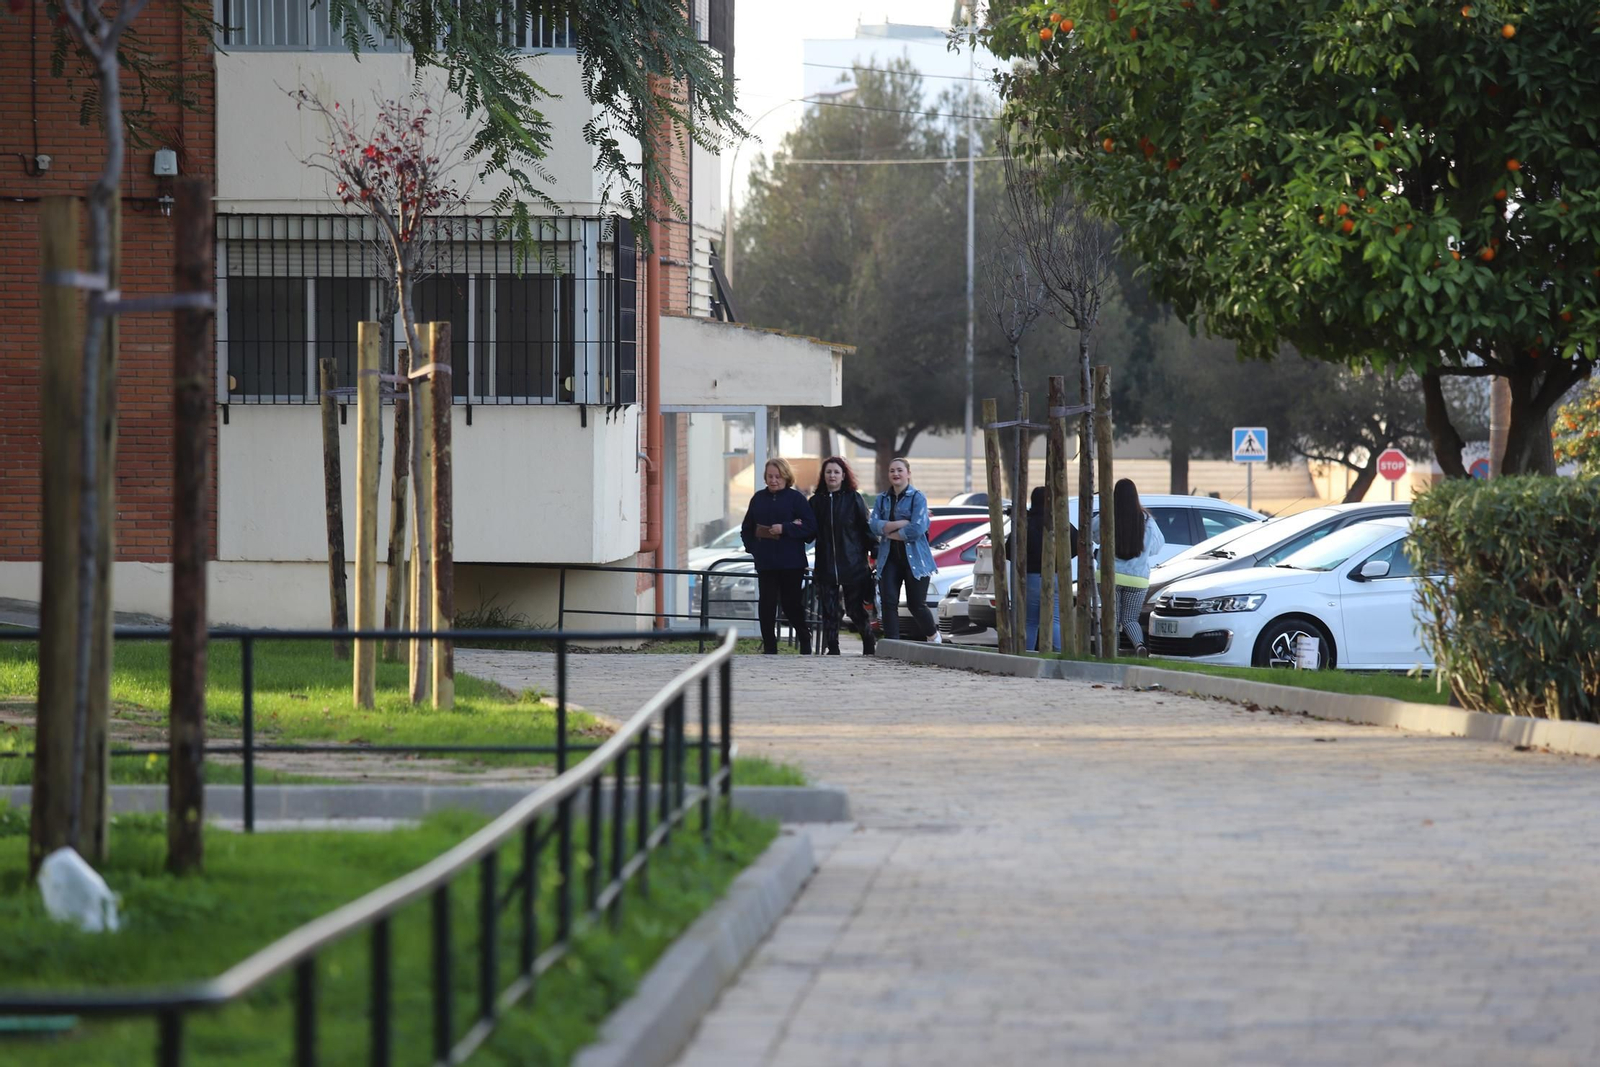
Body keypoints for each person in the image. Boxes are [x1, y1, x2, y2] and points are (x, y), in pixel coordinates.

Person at [740, 458, 816, 654]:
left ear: (786, 476)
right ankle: (770, 646)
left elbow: (810, 528)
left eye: (778, 476)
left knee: (791, 604)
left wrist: (785, 528)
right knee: (767, 603)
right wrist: (753, 548)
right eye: (770, 476)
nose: (774, 480)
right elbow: (747, 528)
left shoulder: (796, 499)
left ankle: (804, 637)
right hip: (766, 562)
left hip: (791, 562)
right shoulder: (758, 499)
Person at [1090, 478, 1165, 656]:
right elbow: (1157, 546)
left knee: (1112, 618)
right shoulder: (1147, 520)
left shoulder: (1106, 516)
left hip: (1109, 576)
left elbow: (1094, 535)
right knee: (1130, 619)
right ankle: (1139, 645)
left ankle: (1112, 653)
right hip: (1137, 579)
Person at [810, 456, 877, 656]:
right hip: (826, 564)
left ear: (843, 475)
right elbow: (808, 532)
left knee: (855, 609)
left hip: (853, 564)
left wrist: (875, 551)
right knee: (830, 611)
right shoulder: (816, 502)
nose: (832, 476)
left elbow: (866, 528)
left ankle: (868, 644)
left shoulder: (853, 498)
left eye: (836, 472)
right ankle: (833, 648)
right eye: (828, 472)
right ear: (823, 475)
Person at [868, 457, 940, 642]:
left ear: (908, 473)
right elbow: (874, 525)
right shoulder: (882, 499)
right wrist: (900, 523)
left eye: (900, 470)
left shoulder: (918, 497)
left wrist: (888, 532)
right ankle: (892, 643)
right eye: (892, 470)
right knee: (888, 602)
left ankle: (933, 636)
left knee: (916, 604)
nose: (896, 474)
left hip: (915, 559)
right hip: (889, 557)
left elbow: (917, 528)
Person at [1021, 486, 1077, 652]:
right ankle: (1061, 652)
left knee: (1030, 621)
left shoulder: (1026, 524)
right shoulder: (1060, 522)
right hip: (1056, 575)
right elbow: (1076, 542)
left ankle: (1027, 654)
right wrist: (1062, 560)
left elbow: (1010, 550)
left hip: (1031, 577)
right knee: (1056, 620)